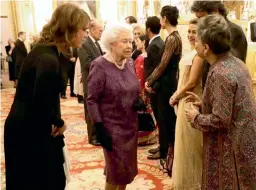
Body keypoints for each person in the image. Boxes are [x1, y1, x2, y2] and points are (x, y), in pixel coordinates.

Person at [4, 3, 90, 190]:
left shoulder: (46, 51)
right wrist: (60, 123)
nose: (86, 34)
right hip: (28, 130)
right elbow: (40, 101)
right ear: (70, 28)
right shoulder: (48, 58)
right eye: (84, 29)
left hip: (27, 125)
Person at [185, 15, 256, 190]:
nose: (195, 44)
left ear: (206, 48)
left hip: (229, 149)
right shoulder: (236, 63)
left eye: (198, 41)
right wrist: (204, 103)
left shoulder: (220, 72)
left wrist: (196, 117)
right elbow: (233, 104)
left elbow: (220, 119)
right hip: (244, 142)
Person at [87, 23, 140, 190]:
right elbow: (92, 99)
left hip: (130, 126)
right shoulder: (99, 65)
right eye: (124, 41)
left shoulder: (130, 63)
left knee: (126, 171)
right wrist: (99, 127)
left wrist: (137, 100)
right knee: (115, 171)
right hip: (111, 128)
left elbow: (132, 87)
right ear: (111, 43)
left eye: (131, 42)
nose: (129, 46)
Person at [169, 18, 203, 189]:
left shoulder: (198, 55)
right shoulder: (190, 52)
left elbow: (191, 82)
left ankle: (194, 183)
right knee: (182, 142)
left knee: (191, 144)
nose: (190, 35)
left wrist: (175, 95)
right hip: (184, 100)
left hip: (191, 100)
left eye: (194, 32)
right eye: (189, 31)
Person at [145, 6, 182, 161]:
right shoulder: (172, 36)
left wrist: (149, 80)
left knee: (165, 118)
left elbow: (162, 65)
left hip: (167, 84)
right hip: (167, 82)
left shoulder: (173, 37)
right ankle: (164, 148)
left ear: (164, 19)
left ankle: (166, 152)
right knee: (163, 117)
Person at [190, 0, 248, 88]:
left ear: (215, 12)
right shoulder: (207, 31)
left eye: (201, 18)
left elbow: (233, 68)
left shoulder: (235, 31)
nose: (199, 22)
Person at [78, 19, 104, 146]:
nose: (101, 33)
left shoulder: (96, 43)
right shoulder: (84, 43)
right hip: (90, 82)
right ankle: (92, 137)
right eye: (100, 31)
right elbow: (86, 63)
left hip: (97, 81)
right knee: (90, 111)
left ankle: (97, 134)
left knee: (97, 109)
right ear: (92, 30)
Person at [144, 16, 164, 158]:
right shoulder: (157, 42)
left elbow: (157, 69)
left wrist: (152, 85)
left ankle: (163, 149)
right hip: (155, 86)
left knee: (160, 118)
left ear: (148, 29)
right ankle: (161, 146)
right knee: (159, 118)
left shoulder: (155, 45)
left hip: (156, 88)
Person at [134, 35, 158, 146]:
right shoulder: (145, 56)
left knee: (143, 112)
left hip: (141, 87)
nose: (135, 43)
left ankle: (143, 137)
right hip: (146, 86)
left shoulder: (141, 58)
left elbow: (139, 76)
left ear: (144, 42)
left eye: (137, 41)